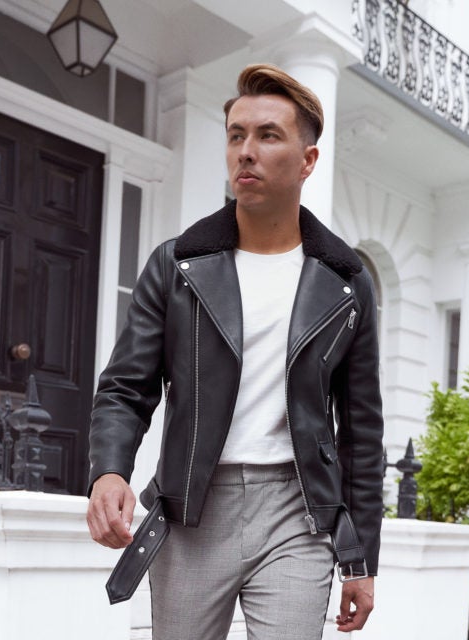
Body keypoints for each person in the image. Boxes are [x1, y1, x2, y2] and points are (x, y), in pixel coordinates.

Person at [86, 63, 384, 640]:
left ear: (308, 160)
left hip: (298, 511)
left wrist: (361, 558)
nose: (246, 151)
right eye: (236, 135)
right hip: (192, 507)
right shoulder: (177, 265)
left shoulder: (346, 281)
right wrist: (109, 470)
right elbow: (126, 386)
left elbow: (362, 430)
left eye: (268, 135)